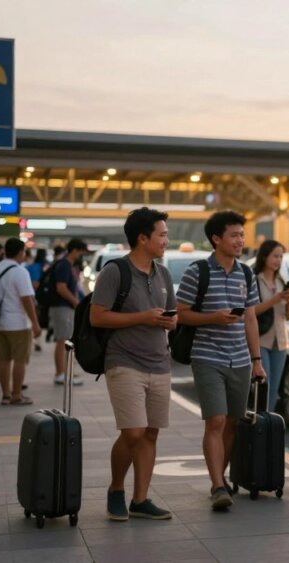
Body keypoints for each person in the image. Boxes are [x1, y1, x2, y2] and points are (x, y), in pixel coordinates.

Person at [90, 208, 176, 521]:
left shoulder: (164, 274)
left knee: (151, 434)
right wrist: (143, 317)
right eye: (162, 234)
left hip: (159, 362)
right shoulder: (115, 272)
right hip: (124, 361)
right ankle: (116, 488)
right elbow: (97, 316)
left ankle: (141, 500)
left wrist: (169, 321)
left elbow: (172, 315)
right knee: (133, 433)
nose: (167, 240)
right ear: (142, 238)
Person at [175, 210, 266, 511]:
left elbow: (250, 318)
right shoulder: (197, 271)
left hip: (239, 358)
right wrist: (213, 317)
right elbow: (181, 313)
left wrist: (256, 360)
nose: (240, 240)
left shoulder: (246, 273)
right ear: (216, 239)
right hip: (207, 355)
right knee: (215, 420)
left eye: (242, 234)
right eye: (234, 235)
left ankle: (221, 478)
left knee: (232, 422)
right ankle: (217, 486)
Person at [0, 238, 41, 405]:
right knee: (20, 359)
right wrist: (35, 323)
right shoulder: (20, 271)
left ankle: (5, 395)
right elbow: (27, 299)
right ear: (20, 252)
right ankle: (17, 394)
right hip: (18, 323)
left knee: (3, 359)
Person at [252, 239, 289, 411]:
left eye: (281, 256)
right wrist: (274, 300)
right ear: (264, 257)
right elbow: (252, 311)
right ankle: (259, 419)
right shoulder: (255, 280)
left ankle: (268, 422)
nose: (278, 260)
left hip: (281, 341)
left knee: (274, 387)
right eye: (275, 256)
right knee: (264, 383)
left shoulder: (281, 281)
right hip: (261, 339)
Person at [50, 239, 89, 386]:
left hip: (65, 307)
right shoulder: (64, 265)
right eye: (81, 252)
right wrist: (76, 302)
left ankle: (65, 372)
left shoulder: (68, 265)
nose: (82, 256)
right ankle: (60, 374)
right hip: (62, 307)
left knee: (65, 339)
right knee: (62, 340)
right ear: (75, 250)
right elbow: (61, 288)